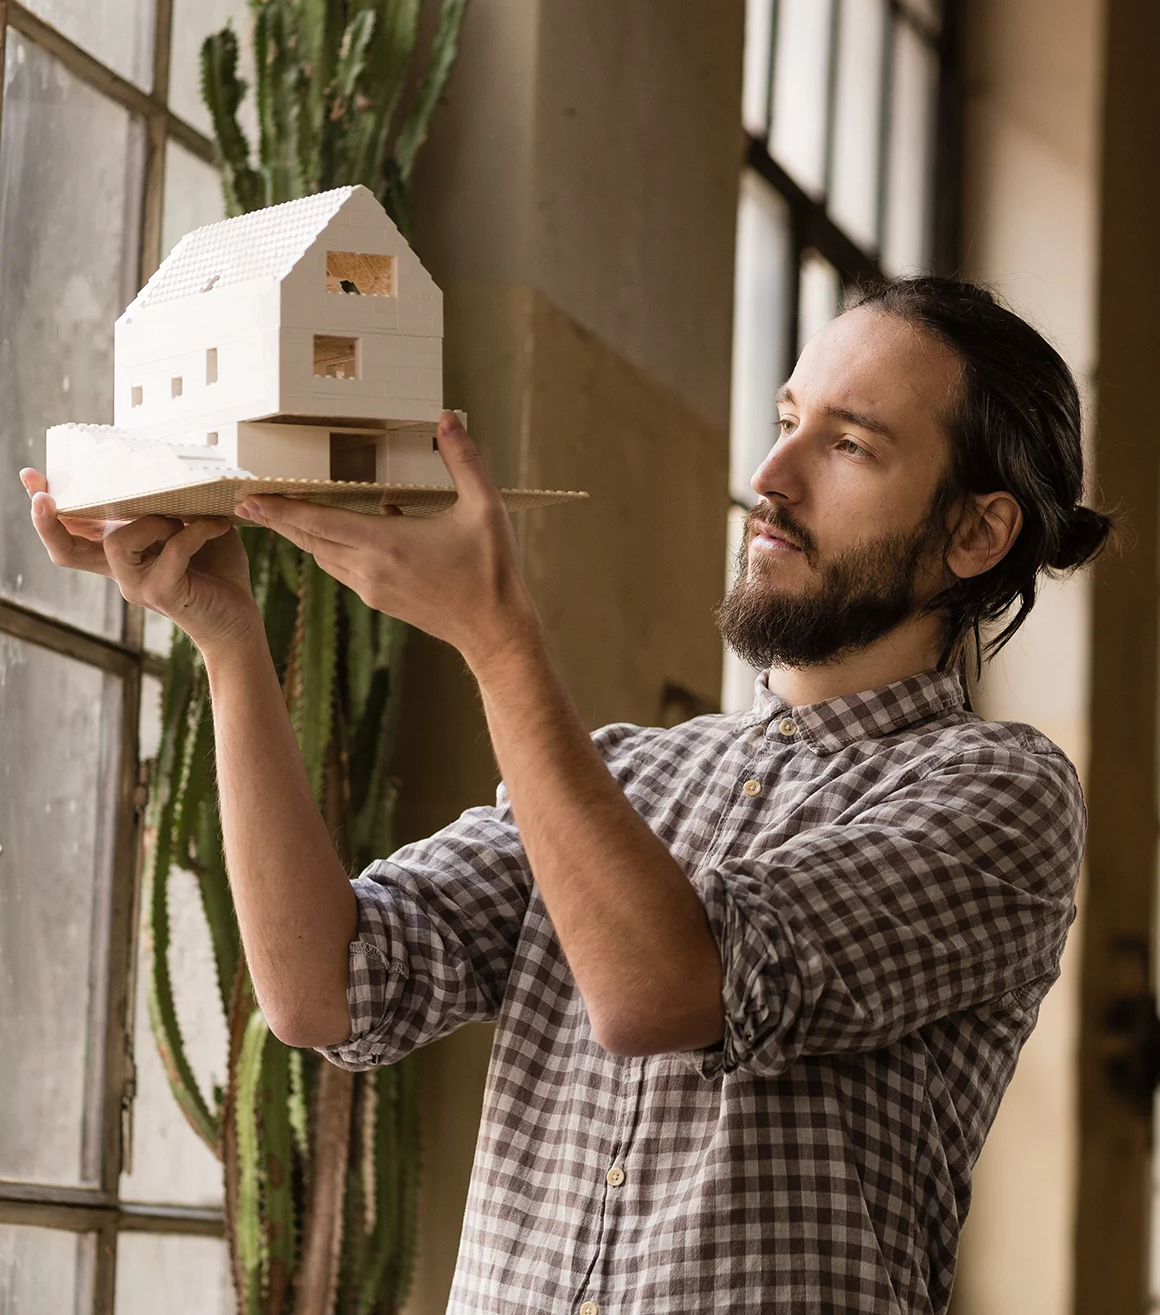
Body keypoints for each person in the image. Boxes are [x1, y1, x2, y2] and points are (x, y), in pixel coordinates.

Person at [23, 276, 1109, 1314]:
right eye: (786, 418)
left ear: (975, 533)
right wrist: (227, 638)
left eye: (848, 444)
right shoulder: (623, 771)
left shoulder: (1000, 794)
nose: (770, 475)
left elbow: (662, 991)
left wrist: (498, 638)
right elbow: (325, 987)